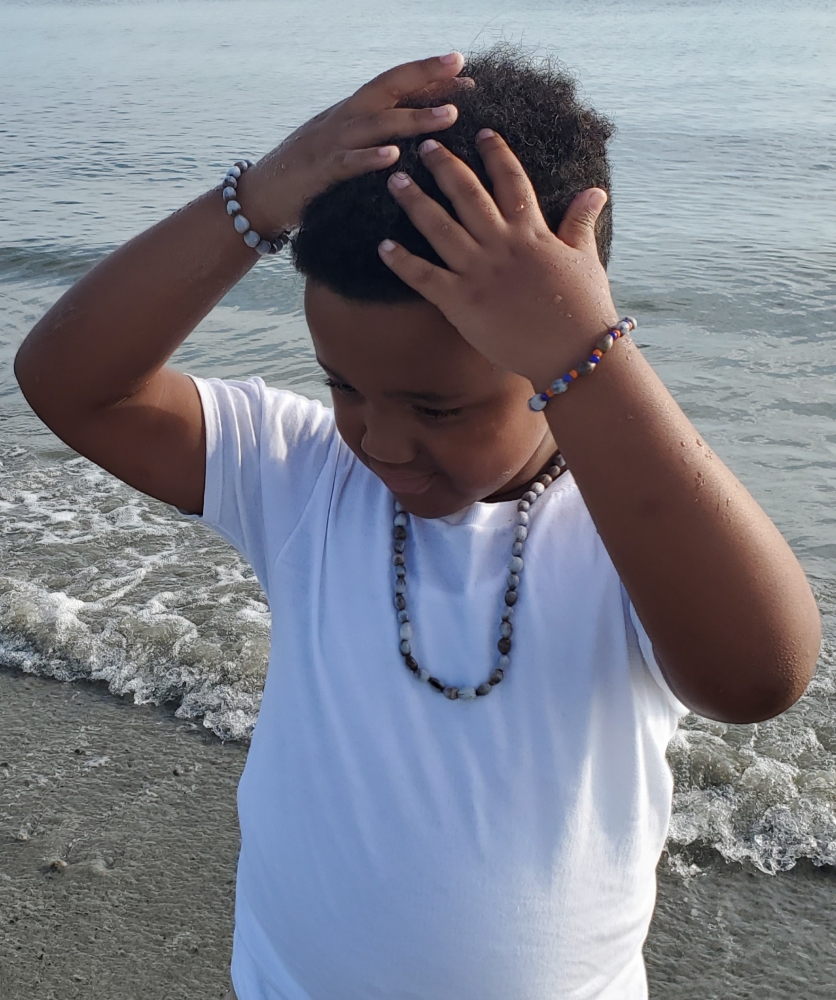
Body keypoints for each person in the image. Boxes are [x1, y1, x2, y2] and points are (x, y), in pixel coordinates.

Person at [15, 46, 820, 1000]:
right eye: (343, 386)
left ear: (558, 346)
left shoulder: (635, 530)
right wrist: (260, 198)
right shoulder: (302, 475)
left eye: (438, 408)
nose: (381, 441)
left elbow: (758, 676)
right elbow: (71, 381)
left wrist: (589, 350)